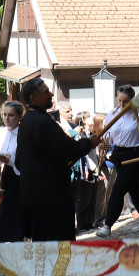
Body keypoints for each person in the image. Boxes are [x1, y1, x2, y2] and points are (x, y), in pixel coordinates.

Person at [16, 78, 99, 241]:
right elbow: (66, 149)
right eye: (45, 92)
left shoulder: (27, 121)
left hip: (37, 194)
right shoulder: (41, 122)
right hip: (51, 196)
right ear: (33, 98)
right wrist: (88, 143)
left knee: (44, 242)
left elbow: (21, 160)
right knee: (58, 243)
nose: (51, 94)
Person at [95, 86, 139, 238]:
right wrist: (106, 150)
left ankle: (107, 226)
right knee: (134, 189)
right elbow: (108, 136)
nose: (122, 104)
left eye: (126, 101)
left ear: (132, 100)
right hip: (119, 155)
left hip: (137, 155)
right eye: (119, 100)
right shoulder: (112, 114)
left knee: (118, 189)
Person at [0, 101, 25, 255]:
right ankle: (2, 249)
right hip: (6, 175)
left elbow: (22, 159)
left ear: (19, 116)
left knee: (10, 213)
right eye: (5, 115)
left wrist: (8, 160)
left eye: (11, 115)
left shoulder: (23, 133)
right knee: (2, 213)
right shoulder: (1, 132)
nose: (7, 118)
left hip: (19, 177)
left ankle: (3, 250)